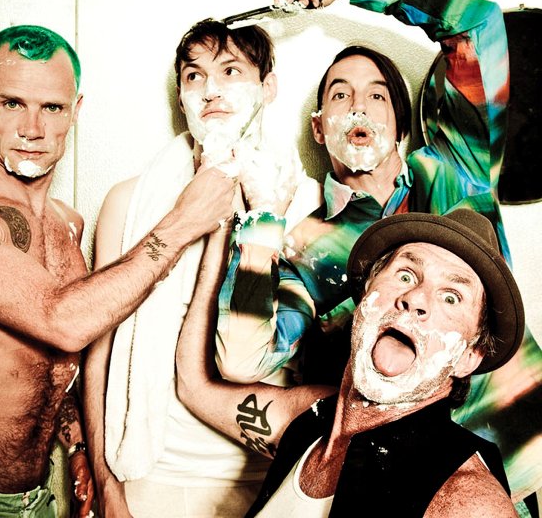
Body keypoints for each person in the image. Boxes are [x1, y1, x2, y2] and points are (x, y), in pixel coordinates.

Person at [215, 0, 542, 511]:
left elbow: (478, 24)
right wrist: (262, 219)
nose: (358, 107)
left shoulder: (453, 171)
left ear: (401, 124)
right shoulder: (309, 245)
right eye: (340, 95)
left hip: (532, 466)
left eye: (377, 96)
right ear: (319, 128)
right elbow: (244, 361)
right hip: (411, 494)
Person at [0, 24, 234, 517]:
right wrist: (184, 221)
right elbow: (62, 320)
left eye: (52, 108)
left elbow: (51, 360)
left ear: (75, 110)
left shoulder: (68, 224)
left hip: (37, 501)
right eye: (12, 103)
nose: (32, 128)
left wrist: (78, 448)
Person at [83, 18, 322, 517]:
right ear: (181, 97)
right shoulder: (129, 203)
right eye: (195, 76)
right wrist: (105, 482)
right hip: (150, 475)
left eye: (231, 71)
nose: (211, 90)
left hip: (267, 475)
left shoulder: (309, 207)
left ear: (268, 87)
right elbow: (98, 350)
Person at [177, 208, 525, 517]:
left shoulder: (469, 501)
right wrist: (218, 228)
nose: (415, 298)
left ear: (468, 357)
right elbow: (195, 386)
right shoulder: (310, 416)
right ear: (366, 293)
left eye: (451, 297)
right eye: (405, 275)